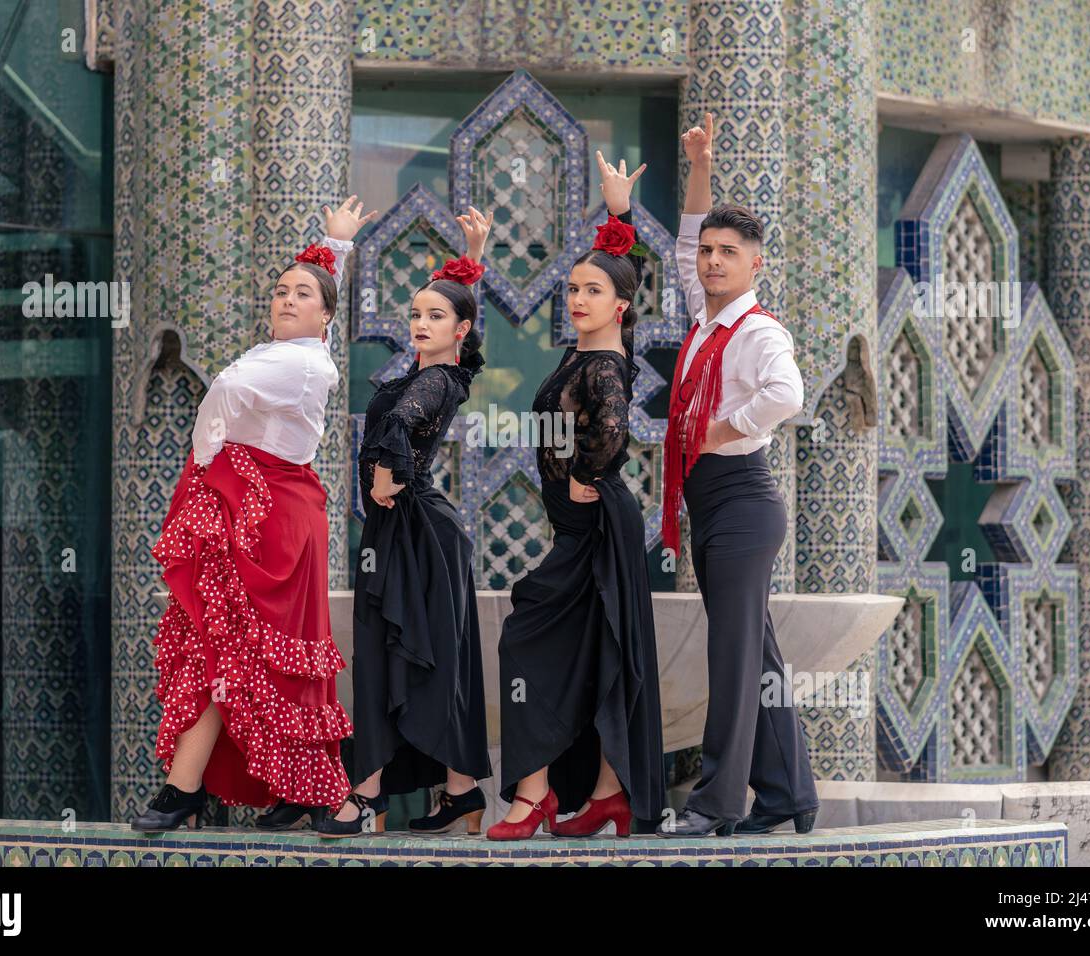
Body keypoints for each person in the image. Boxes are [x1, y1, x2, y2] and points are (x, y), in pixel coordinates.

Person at [131, 197, 377, 832]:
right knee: (227, 649)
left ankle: (329, 796)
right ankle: (199, 787)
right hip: (251, 506)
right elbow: (314, 307)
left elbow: (225, 395)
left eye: (301, 294)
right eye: (279, 291)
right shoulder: (290, 354)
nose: (286, 299)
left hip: (272, 518)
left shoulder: (301, 363)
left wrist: (210, 457)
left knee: (261, 656)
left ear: (324, 317)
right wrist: (335, 250)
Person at [488, 153, 666, 840]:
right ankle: (606, 794)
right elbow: (625, 268)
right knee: (597, 653)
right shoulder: (579, 356)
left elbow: (616, 428)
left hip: (597, 527)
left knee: (524, 637)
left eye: (593, 291)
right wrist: (615, 217)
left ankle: (532, 797)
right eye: (572, 290)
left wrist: (590, 472)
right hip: (583, 525)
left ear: (621, 307)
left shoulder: (606, 365)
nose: (578, 299)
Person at [655, 113, 818, 838]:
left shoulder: (757, 331)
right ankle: (789, 795)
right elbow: (687, 235)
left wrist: (717, 429)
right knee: (755, 650)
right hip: (712, 499)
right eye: (711, 253)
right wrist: (698, 166)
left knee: (732, 654)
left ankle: (715, 804)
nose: (714, 261)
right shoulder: (704, 317)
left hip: (743, 499)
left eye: (730, 253)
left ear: (756, 265)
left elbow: (788, 396)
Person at [311, 207, 495, 838]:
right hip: (406, 530)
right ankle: (460, 791)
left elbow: (397, 427)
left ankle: (363, 795)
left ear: (461, 330)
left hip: (416, 530)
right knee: (405, 657)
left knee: (396, 657)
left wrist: (386, 476)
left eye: (436, 316)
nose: (420, 324)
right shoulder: (430, 372)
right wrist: (473, 257)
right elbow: (398, 418)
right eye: (416, 314)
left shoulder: (441, 378)